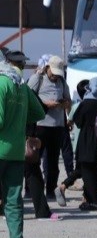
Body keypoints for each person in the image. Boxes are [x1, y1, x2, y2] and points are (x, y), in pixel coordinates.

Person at [0, 47, 46, 238]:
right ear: (19, 66)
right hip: (16, 152)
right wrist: (19, 123)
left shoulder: (1, 83)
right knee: (13, 199)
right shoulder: (23, 88)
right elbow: (39, 112)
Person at [26, 55, 71, 208]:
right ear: (47, 68)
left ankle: (50, 189)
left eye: (58, 74)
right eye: (54, 74)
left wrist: (64, 104)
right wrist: (45, 104)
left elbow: (68, 101)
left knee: (52, 161)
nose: (55, 77)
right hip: (40, 125)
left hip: (57, 126)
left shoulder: (63, 83)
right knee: (33, 159)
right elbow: (28, 97)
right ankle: (30, 189)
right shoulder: (37, 79)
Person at [71, 77, 97, 211]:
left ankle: (90, 201)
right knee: (96, 171)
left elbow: (78, 122)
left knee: (86, 171)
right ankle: (93, 200)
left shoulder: (85, 103)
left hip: (85, 139)